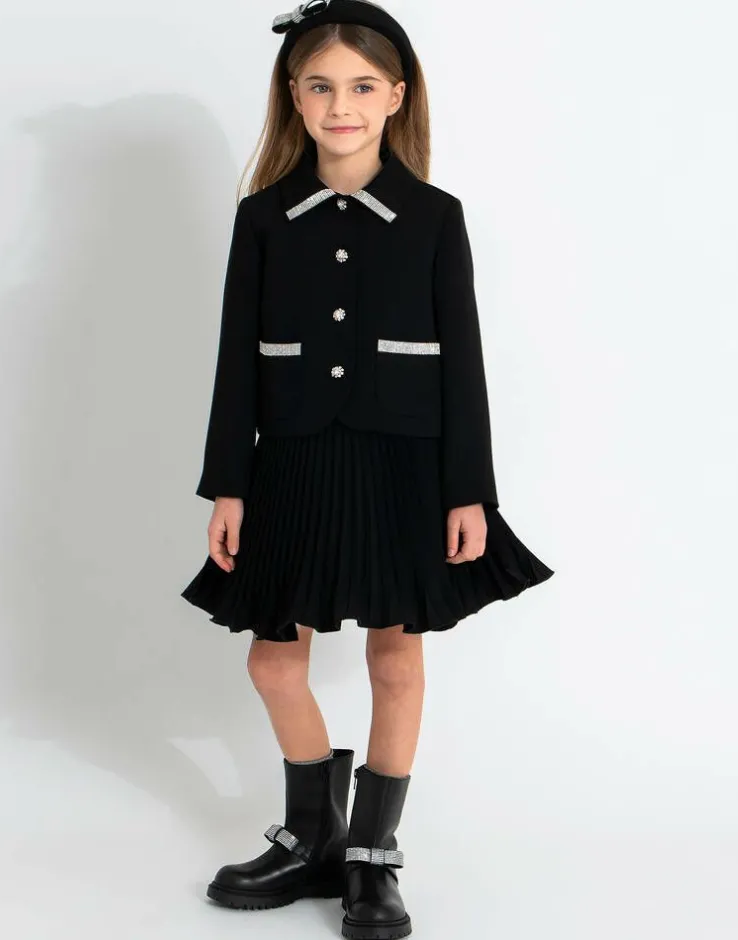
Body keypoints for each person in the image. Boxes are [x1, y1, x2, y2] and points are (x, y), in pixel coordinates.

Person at [181, 2, 554, 936]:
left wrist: (470, 491)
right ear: (294, 96)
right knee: (273, 660)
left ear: (395, 96)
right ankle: (315, 837)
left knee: (396, 657)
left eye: (359, 86)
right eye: (320, 86)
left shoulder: (434, 217)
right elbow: (234, 361)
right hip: (293, 460)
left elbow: (464, 363)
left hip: (405, 464)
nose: (339, 105)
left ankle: (373, 858)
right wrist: (229, 483)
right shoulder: (263, 218)